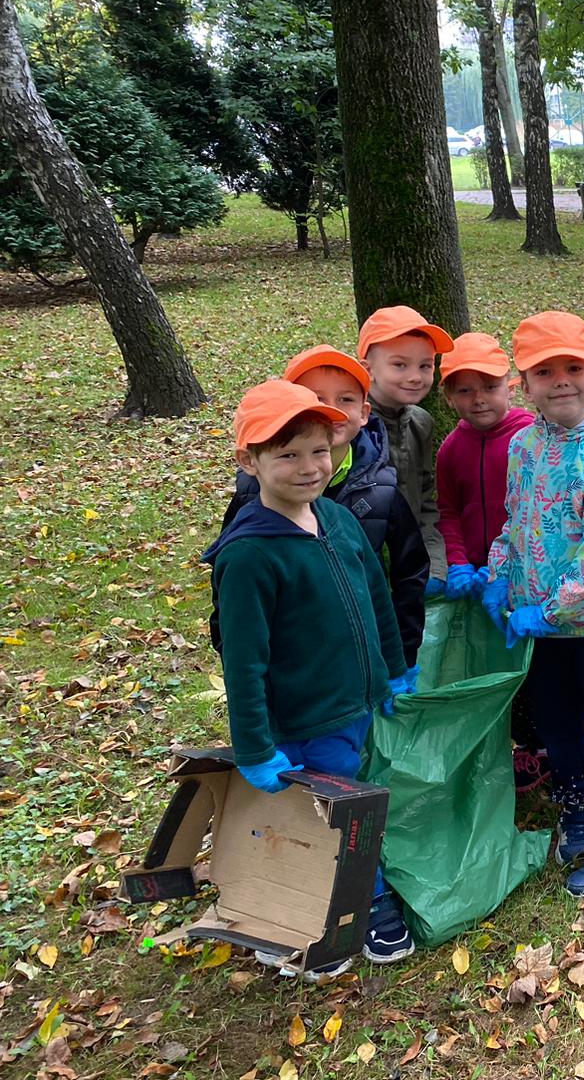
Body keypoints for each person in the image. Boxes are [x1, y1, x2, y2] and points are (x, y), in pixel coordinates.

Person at [203, 380, 417, 974]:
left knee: (348, 806)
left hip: (349, 709)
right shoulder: (248, 555)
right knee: (324, 819)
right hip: (295, 718)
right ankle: (342, 912)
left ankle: (344, 902)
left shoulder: (338, 520)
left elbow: (375, 597)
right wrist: (254, 746)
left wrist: (392, 672)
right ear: (250, 461)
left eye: (319, 451)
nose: (308, 467)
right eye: (287, 455)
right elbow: (243, 660)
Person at [482, 311, 584, 899]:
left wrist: (549, 608)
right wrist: (499, 573)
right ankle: (576, 811)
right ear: (524, 384)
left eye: (573, 368)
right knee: (556, 727)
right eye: (544, 371)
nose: (560, 381)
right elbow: (517, 522)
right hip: (541, 626)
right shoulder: (524, 447)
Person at [218, 344, 429, 668]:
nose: (335, 411)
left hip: (358, 655)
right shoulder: (252, 488)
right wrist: (228, 642)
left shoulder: (381, 489)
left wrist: (402, 653)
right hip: (291, 661)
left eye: (346, 399)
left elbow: (407, 572)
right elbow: (229, 572)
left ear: (364, 412)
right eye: (316, 399)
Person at [434, 332, 543, 790]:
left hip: (525, 576)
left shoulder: (529, 437)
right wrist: (457, 562)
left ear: (511, 385)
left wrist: (506, 569)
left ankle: (541, 746)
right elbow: (448, 512)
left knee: (536, 665)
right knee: (492, 661)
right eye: (464, 389)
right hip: (475, 580)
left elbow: (536, 511)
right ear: (448, 396)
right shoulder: (450, 450)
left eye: (489, 386)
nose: (478, 399)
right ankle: (505, 743)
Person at [358, 305, 455, 589]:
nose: (415, 376)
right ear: (368, 369)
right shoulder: (350, 428)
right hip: (362, 576)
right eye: (400, 365)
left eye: (425, 365)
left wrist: (434, 563)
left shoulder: (420, 423)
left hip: (409, 573)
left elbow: (425, 499)